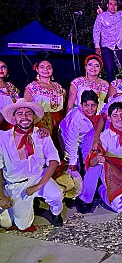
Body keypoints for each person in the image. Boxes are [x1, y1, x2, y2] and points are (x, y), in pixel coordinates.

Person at [0, 99, 64, 231]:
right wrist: (1, 196)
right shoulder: (3, 138)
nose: (24, 117)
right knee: (21, 225)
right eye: (20, 113)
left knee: (56, 194)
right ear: (14, 117)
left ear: (33, 116)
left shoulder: (41, 134)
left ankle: (56, 214)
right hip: (16, 184)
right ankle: (26, 204)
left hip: (38, 177)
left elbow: (53, 160)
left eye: (28, 113)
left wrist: (38, 186)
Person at [87, 102, 122, 213]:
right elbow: (91, 161)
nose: (120, 118)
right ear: (109, 119)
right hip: (114, 176)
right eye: (115, 115)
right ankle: (102, 190)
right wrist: (98, 158)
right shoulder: (105, 136)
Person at [59, 90, 101, 174]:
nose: (90, 109)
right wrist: (73, 162)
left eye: (93, 105)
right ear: (81, 105)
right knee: (73, 168)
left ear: (97, 105)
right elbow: (71, 141)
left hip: (86, 139)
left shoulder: (99, 112)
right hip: (68, 138)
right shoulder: (75, 118)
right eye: (86, 105)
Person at [24, 60, 66, 142]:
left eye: (48, 67)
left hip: (59, 123)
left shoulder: (58, 86)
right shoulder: (32, 87)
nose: (45, 69)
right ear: (37, 70)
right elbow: (26, 108)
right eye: (42, 67)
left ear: (52, 70)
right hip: (41, 122)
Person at [93, 0, 122, 83]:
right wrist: (97, 46)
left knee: (121, 70)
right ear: (107, 5)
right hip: (106, 47)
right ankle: (110, 91)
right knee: (110, 69)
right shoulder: (101, 17)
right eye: (111, 4)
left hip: (120, 46)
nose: (113, 6)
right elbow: (96, 31)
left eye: (115, 4)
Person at [0, 60, 20, 130]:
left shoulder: (10, 86)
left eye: (3, 67)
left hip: (11, 121)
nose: (1, 70)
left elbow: (18, 103)